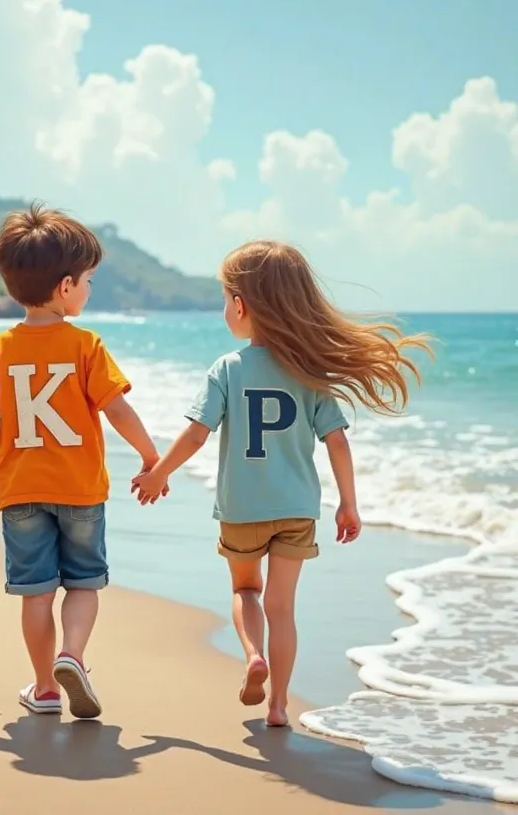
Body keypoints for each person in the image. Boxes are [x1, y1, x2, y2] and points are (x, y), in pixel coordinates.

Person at [132, 240, 430, 728]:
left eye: (226, 298)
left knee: (246, 591)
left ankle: (253, 655)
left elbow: (196, 433)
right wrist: (348, 504)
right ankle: (278, 705)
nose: (225, 308)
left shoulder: (227, 368)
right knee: (282, 608)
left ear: (242, 305)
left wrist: (159, 473)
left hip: (241, 509)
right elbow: (337, 443)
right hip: (297, 510)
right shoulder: (309, 374)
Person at [0, 204, 159, 719]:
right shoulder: (86, 344)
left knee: (36, 593)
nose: (90, 289)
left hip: (21, 493)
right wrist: (149, 454)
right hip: (81, 491)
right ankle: (74, 655)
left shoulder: (0, 349)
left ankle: (45, 687)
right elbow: (117, 407)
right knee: (85, 583)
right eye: (88, 279)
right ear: (66, 286)